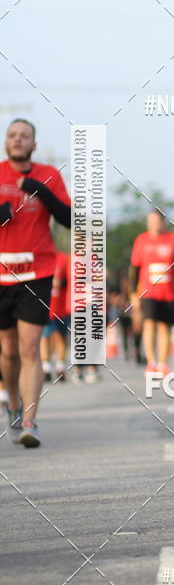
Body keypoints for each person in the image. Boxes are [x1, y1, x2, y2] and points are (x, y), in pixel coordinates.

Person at [0, 119, 71, 447]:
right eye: (12, 136)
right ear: (6, 142)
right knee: (9, 351)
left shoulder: (48, 175)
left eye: (24, 136)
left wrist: (43, 194)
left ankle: (30, 420)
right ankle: (12, 403)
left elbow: (70, 220)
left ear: (33, 144)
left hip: (37, 272)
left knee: (30, 348)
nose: (18, 140)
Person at [129, 211, 174, 377]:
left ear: (163, 223)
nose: (153, 224)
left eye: (156, 221)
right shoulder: (141, 240)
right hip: (148, 292)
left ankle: (163, 364)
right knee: (149, 324)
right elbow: (134, 268)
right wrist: (133, 293)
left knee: (164, 328)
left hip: (169, 293)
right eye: (150, 221)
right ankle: (151, 363)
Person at [40, 250, 69, 382]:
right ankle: (46, 368)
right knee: (45, 337)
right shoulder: (40, 258)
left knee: (60, 337)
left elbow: (71, 281)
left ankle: (60, 366)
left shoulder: (64, 259)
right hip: (44, 307)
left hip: (61, 307)